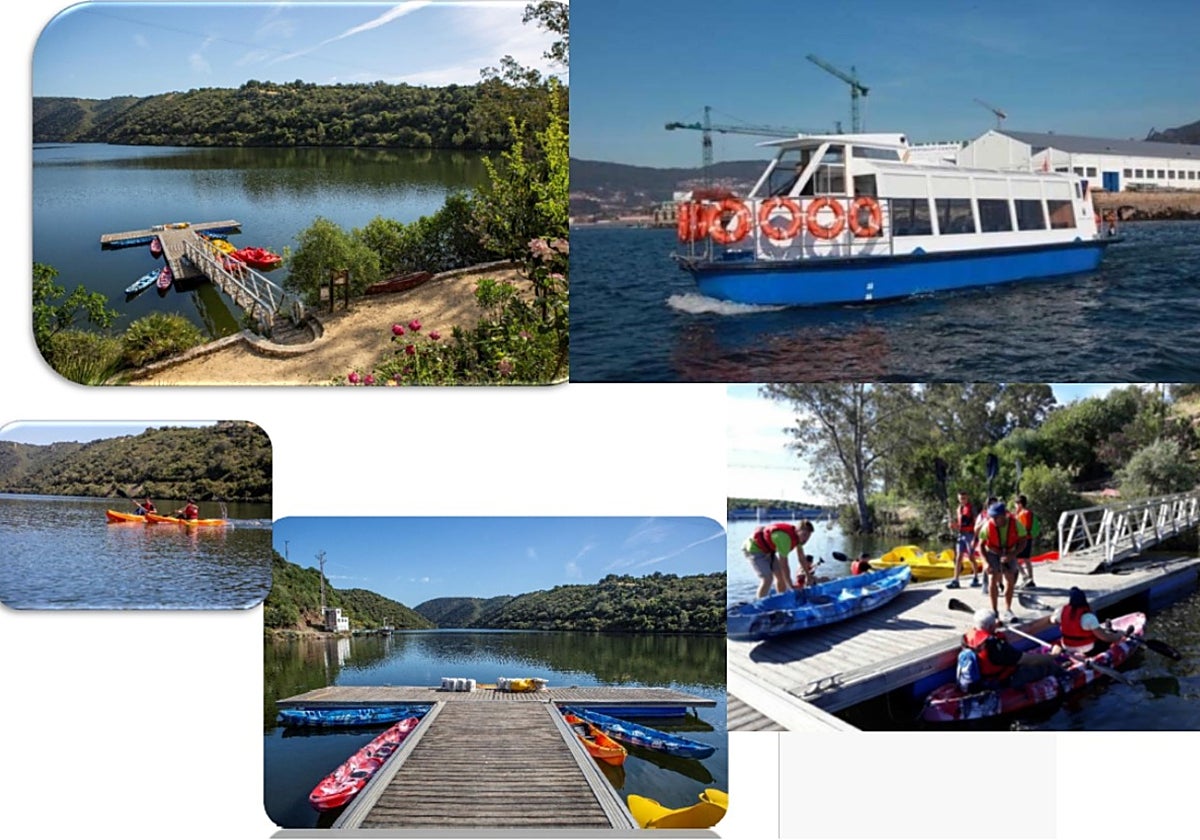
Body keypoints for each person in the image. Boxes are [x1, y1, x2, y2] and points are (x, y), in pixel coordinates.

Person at [959, 609, 1063, 692]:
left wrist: (995, 626)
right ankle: (1063, 676)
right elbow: (1027, 659)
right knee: (1045, 665)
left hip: (984, 678)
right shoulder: (997, 646)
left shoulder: (966, 638)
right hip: (1004, 680)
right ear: (991, 626)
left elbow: (987, 633)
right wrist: (1052, 655)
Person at [975, 502, 1028, 623]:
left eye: (996, 517)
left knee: (1010, 580)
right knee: (993, 579)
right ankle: (994, 611)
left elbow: (1023, 541)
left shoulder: (1015, 524)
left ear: (1003, 516)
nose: (993, 519)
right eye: (992, 517)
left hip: (1010, 552)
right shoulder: (988, 525)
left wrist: (1012, 555)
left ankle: (1008, 609)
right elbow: (981, 546)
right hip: (993, 553)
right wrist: (985, 563)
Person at [742, 520, 814, 598]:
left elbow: (801, 558)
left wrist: (808, 576)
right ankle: (760, 604)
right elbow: (784, 565)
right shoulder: (785, 539)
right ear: (797, 531)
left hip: (768, 550)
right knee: (767, 579)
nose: (806, 539)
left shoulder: (798, 539)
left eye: (808, 536)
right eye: (804, 535)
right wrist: (790, 586)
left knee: (781, 577)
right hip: (753, 549)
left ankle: (781, 598)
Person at [1050, 587, 1130, 655]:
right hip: (1087, 649)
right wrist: (1118, 636)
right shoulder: (1089, 617)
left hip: (1067, 647)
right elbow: (1105, 638)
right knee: (1105, 640)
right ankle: (1114, 633)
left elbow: (1053, 620)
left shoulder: (1062, 612)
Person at [947, 491, 980, 589]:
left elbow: (976, 522)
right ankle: (956, 580)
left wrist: (975, 536)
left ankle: (976, 577)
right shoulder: (959, 509)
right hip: (961, 535)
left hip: (970, 535)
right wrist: (953, 526)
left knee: (971, 557)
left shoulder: (971, 508)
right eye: (961, 498)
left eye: (964, 498)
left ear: (967, 498)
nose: (963, 500)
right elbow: (960, 524)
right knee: (958, 557)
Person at [1012, 495, 1040, 588]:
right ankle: (1031, 579)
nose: (1015, 506)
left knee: (1014, 558)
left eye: (1016, 504)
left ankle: (1025, 577)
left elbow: (1022, 527)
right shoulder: (1028, 512)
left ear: (1019, 504)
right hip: (1029, 538)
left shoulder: (1023, 514)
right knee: (1027, 559)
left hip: (1023, 539)